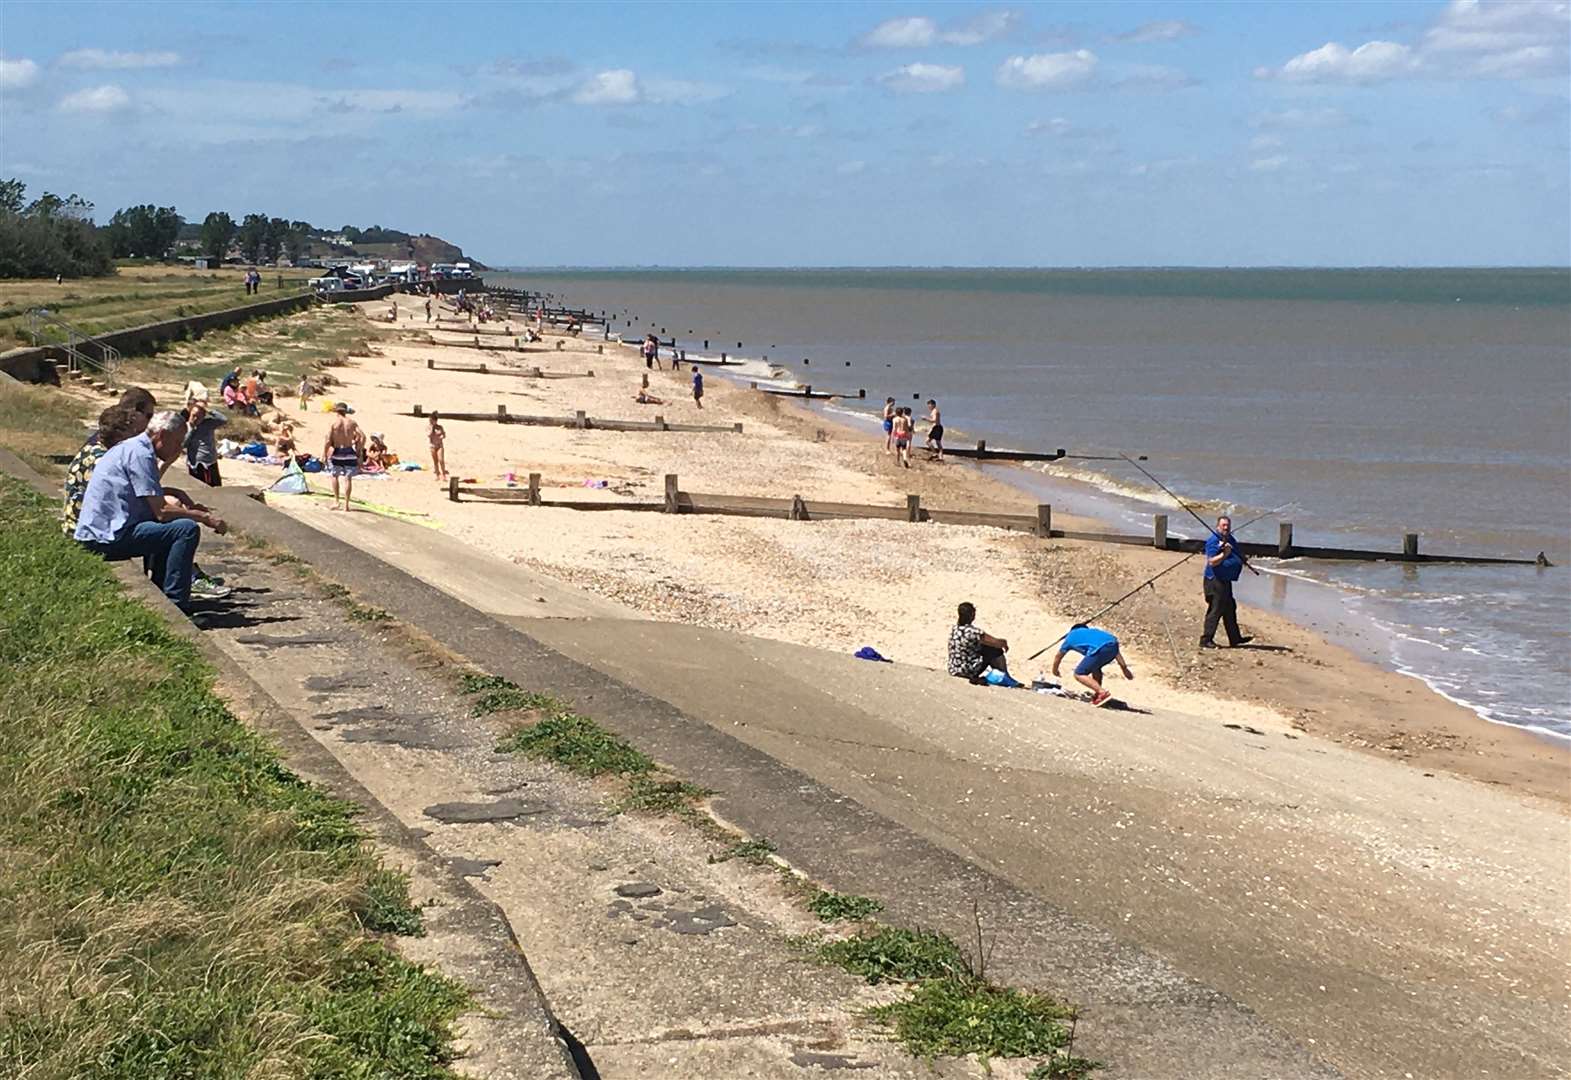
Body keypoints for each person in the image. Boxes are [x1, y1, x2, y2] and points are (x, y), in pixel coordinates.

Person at [74, 411, 230, 609]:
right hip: (106, 538)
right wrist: (204, 517)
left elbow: (144, 492)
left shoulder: (133, 448)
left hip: (99, 532)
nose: (179, 449)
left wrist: (179, 494)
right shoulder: (141, 454)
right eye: (177, 442)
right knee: (186, 529)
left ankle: (164, 593)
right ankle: (176, 603)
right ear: (162, 435)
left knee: (170, 527)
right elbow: (161, 511)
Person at [1200, 515, 1253, 649]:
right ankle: (1206, 639)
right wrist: (1225, 553)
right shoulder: (1213, 541)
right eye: (1223, 525)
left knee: (1230, 608)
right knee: (1216, 609)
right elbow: (1212, 561)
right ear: (1218, 527)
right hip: (1214, 580)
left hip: (1226, 580)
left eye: (1228, 525)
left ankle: (1235, 638)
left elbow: (1236, 553)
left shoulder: (1230, 539)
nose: (1226, 528)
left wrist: (1242, 559)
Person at [1052, 623, 1133, 708]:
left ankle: (1102, 693)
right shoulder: (1093, 632)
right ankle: (1098, 695)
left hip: (1099, 648)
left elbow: (1058, 656)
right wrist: (1124, 668)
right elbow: (1116, 652)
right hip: (1113, 645)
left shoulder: (1069, 637)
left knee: (1079, 673)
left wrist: (1055, 670)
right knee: (1096, 668)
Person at [947, 602, 1010, 682]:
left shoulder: (955, 629)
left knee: (981, 647)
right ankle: (1004, 677)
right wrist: (1004, 643)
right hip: (967, 671)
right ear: (972, 615)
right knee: (994, 650)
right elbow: (996, 643)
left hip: (954, 668)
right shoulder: (973, 632)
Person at [324, 401, 365, 511]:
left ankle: (337, 501)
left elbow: (328, 440)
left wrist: (324, 453)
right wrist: (359, 449)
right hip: (349, 452)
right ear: (345, 411)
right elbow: (362, 436)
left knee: (334, 476)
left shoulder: (334, 424)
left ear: (336, 411)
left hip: (337, 452)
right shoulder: (352, 422)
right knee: (348, 478)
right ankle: (346, 505)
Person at [184, 392, 226, 487]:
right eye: (193, 415)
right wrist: (191, 428)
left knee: (216, 487)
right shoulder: (186, 427)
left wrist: (209, 410)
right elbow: (183, 444)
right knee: (200, 487)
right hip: (197, 463)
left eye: (198, 417)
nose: (195, 418)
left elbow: (223, 419)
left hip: (210, 461)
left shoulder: (208, 424)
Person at [428, 411, 447, 481]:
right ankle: (437, 475)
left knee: (441, 460)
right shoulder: (429, 427)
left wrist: (441, 436)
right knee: (435, 461)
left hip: (439, 445)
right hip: (432, 446)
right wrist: (432, 428)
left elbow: (444, 435)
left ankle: (444, 474)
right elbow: (429, 435)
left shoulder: (440, 427)